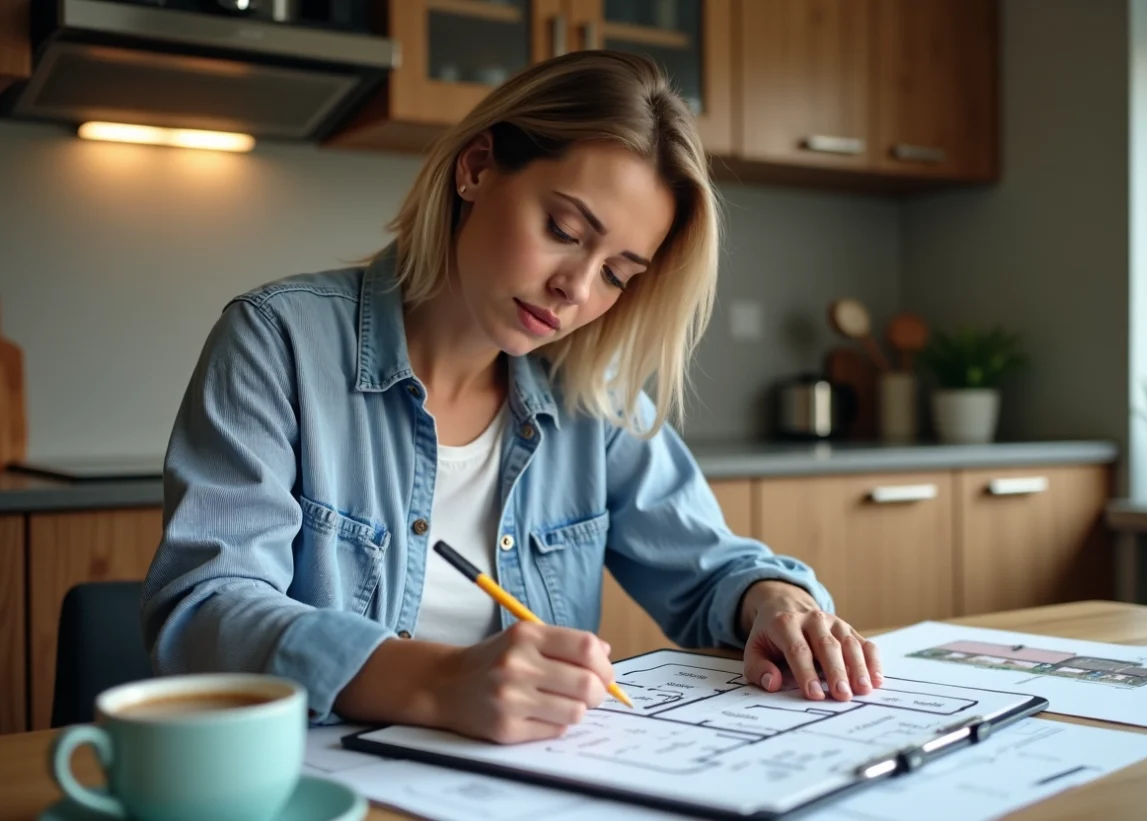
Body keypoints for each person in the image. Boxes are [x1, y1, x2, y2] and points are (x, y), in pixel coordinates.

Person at [140, 50, 883, 745]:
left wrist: (776, 601)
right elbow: (206, 611)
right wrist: (435, 683)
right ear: (477, 167)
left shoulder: (594, 397)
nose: (577, 289)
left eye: (619, 273)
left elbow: (711, 568)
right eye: (563, 229)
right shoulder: (279, 339)